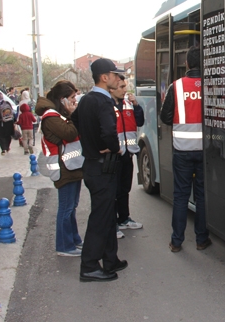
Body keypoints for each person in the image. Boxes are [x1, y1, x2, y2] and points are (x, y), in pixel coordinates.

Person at [71, 58, 127, 282]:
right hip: (103, 167)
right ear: (105, 78)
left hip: (93, 166)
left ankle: (110, 258)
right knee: (100, 218)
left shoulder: (86, 99)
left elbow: (74, 120)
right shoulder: (103, 102)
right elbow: (109, 133)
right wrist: (115, 148)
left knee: (107, 214)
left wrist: (89, 141)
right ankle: (89, 266)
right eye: (115, 75)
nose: (118, 78)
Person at [160, 46, 211, 253]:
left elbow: (165, 117)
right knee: (202, 196)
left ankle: (176, 242)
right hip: (206, 152)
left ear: (187, 64)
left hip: (182, 151)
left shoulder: (176, 87)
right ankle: (201, 240)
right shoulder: (211, 85)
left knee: (181, 196)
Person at [36, 80, 83, 257]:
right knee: (66, 207)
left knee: (72, 206)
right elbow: (70, 133)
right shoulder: (51, 117)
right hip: (63, 168)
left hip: (72, 166)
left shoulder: (60, 115)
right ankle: (64, 245)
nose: (74, 102)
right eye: (71, 99)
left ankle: (74, 239)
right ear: (62, 99)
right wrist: (73, 115)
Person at [110, 76, 145, 239]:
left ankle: (124, 219)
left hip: (127, 153)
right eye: (121, 87)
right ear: (111, 89)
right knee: (113, 191)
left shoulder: (128, 104)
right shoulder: (107, 106)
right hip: (113, 155)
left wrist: (137, 106)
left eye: (125, 86)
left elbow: (140, 121)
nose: (125, 90)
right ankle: (113, 224)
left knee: (124, 189)